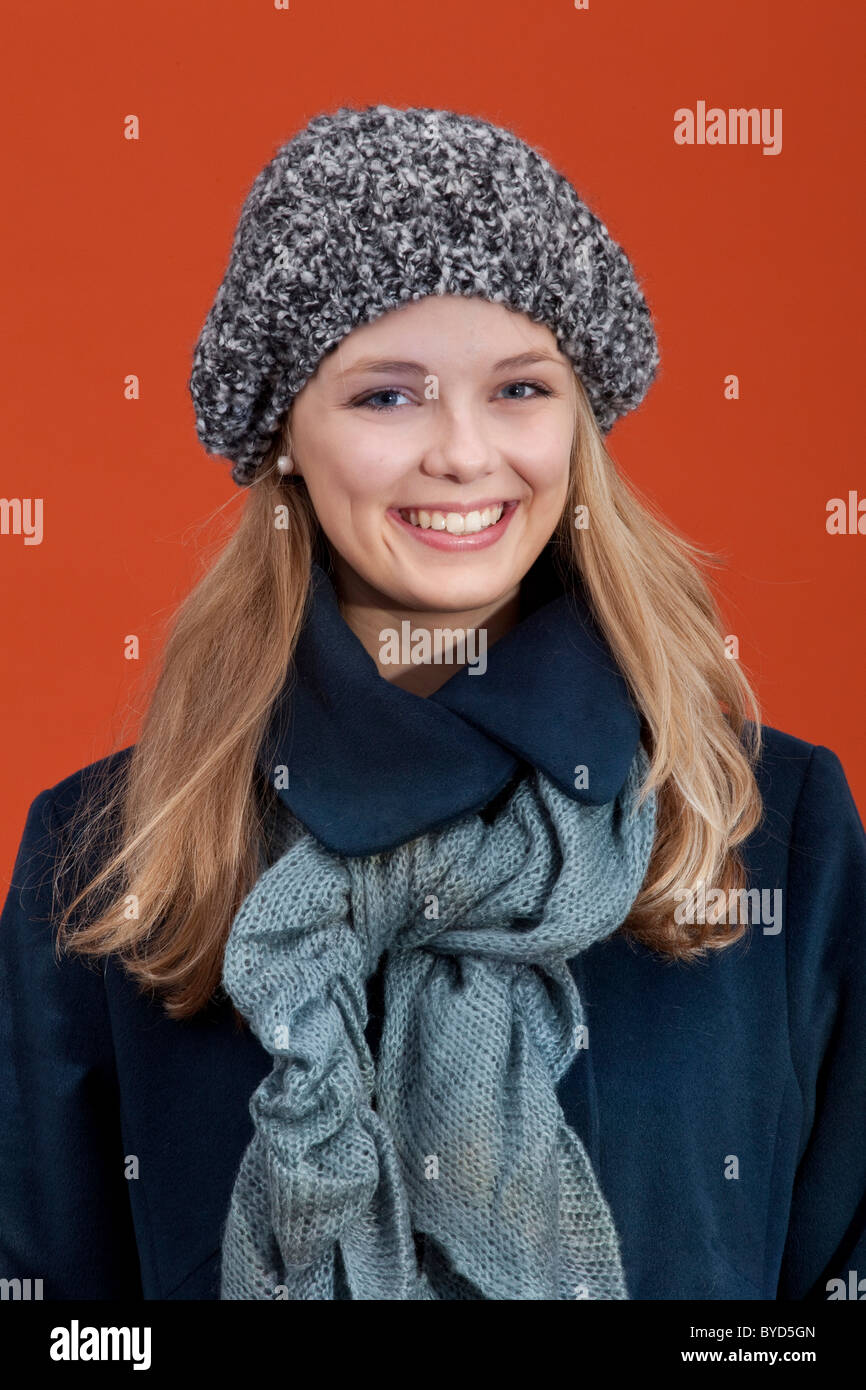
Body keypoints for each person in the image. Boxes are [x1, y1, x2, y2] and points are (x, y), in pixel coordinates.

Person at [2, 104, 865, 1302]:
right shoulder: (108, 859)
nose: (463, 454)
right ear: (283, 434)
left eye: (518, 388)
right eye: (386, 397)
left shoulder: (767, 825)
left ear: (577, 420)